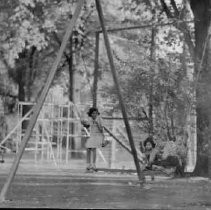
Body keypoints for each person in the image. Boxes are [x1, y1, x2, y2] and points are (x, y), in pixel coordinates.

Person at [81, 107, 106, 172]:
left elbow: (102, 130)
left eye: (96, 113)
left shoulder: (99, 119)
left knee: (93, 148)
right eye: (93, 113)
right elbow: (88, 126)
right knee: (88, 148)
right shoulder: (90, 119)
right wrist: (84, 124)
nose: (95, 114)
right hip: (92, 136)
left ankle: (94, 165)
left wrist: (103, 139)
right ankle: (89, 165)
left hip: (98, 136)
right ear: (91, 114)